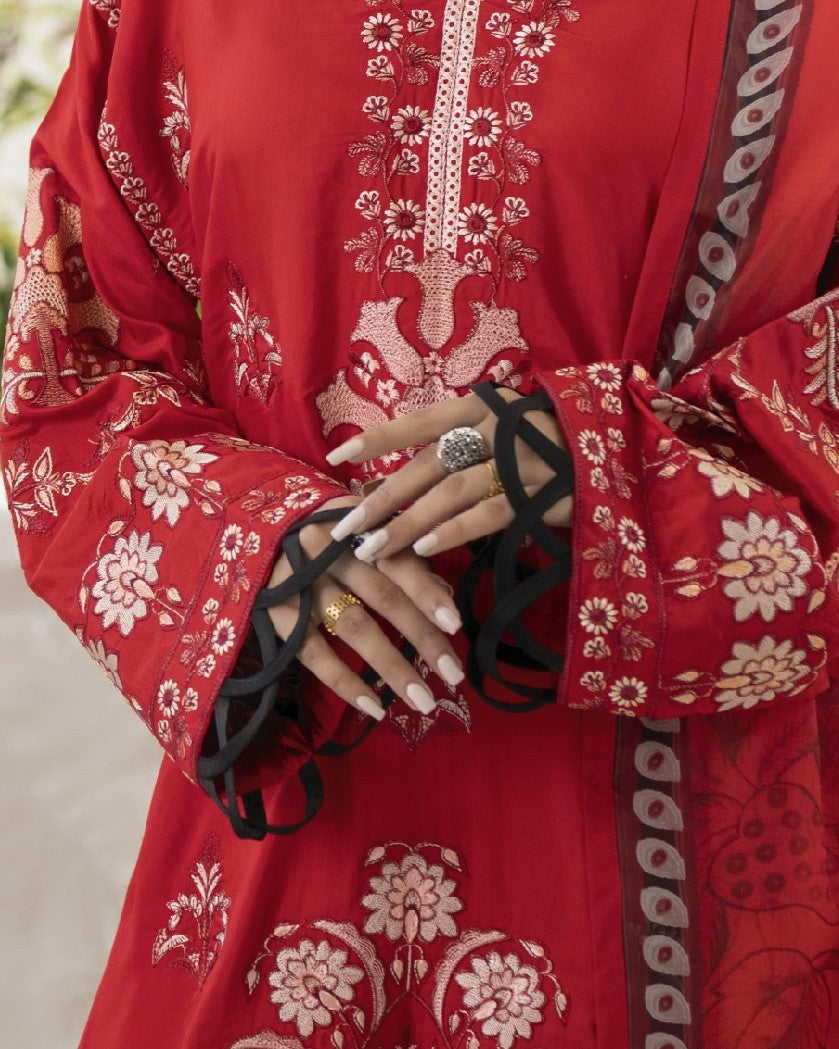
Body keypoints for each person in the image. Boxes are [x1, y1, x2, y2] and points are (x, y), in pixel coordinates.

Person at [2, 0, 839, 1045]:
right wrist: (258, 540)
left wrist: (595, 458)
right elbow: (75, 362)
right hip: (299, 798)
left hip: (674, 849)